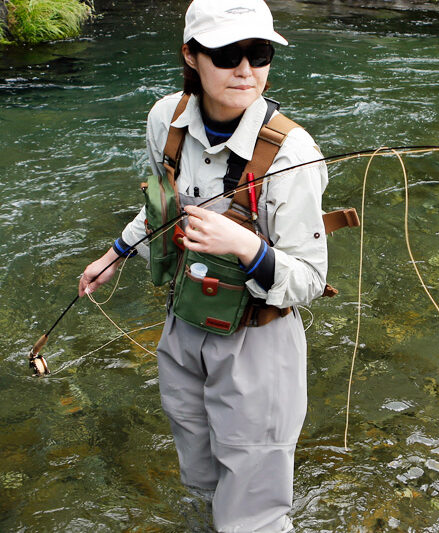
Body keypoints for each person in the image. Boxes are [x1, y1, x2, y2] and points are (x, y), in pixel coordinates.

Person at [78, 0, 328, 531]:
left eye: (259, 53)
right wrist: (113, 256)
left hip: (257, 345)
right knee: (201, 486)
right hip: (183, 327)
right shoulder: (164, 119)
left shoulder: (292, 154)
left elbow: (309, 280)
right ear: (191, 55)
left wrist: (245, 246)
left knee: (252, 517)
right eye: (226, 53)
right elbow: (161, 212)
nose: (245, 69)